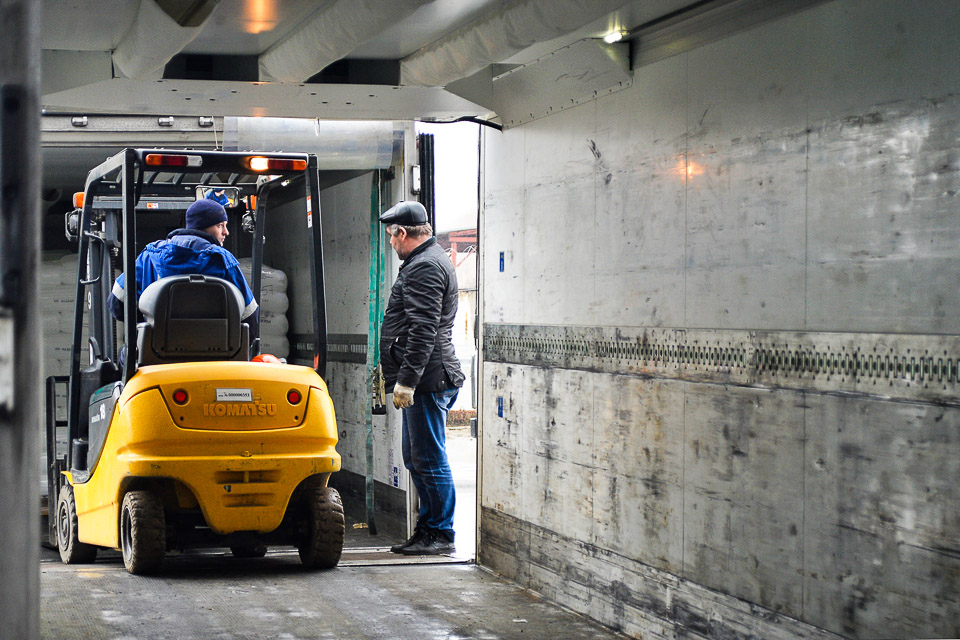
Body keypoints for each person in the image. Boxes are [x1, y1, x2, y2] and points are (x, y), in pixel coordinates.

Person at [379, 201, 465, 556]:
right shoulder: (426, 260)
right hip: (426, 377)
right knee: (416, 458)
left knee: (429, 459)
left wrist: (407, 381)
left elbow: (423, 329)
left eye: (391, 236)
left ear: (402, 233)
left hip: (428, 380)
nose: (391, 243)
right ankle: (429, 528)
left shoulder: (425, 266)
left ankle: (440, 533)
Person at [108, 198, 259, 344]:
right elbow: (250, 319)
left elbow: (116, 304)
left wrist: (146, 327)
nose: (226, 232)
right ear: (202, 226)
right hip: (215, 354)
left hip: (155, 353)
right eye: (220, 225)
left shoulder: (149, 256)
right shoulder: (224, 261)